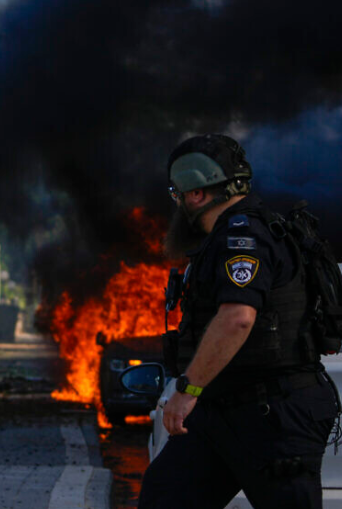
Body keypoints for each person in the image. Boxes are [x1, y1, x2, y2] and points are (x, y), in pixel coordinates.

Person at [139, 134, 340, 508]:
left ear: (196, 194)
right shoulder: (225, 237)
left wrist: (187, 390)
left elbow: (237, 319)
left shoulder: (242, 236)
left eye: (178, 194)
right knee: (164, 496)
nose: (178, 204)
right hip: (222, 414)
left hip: (274, 416)